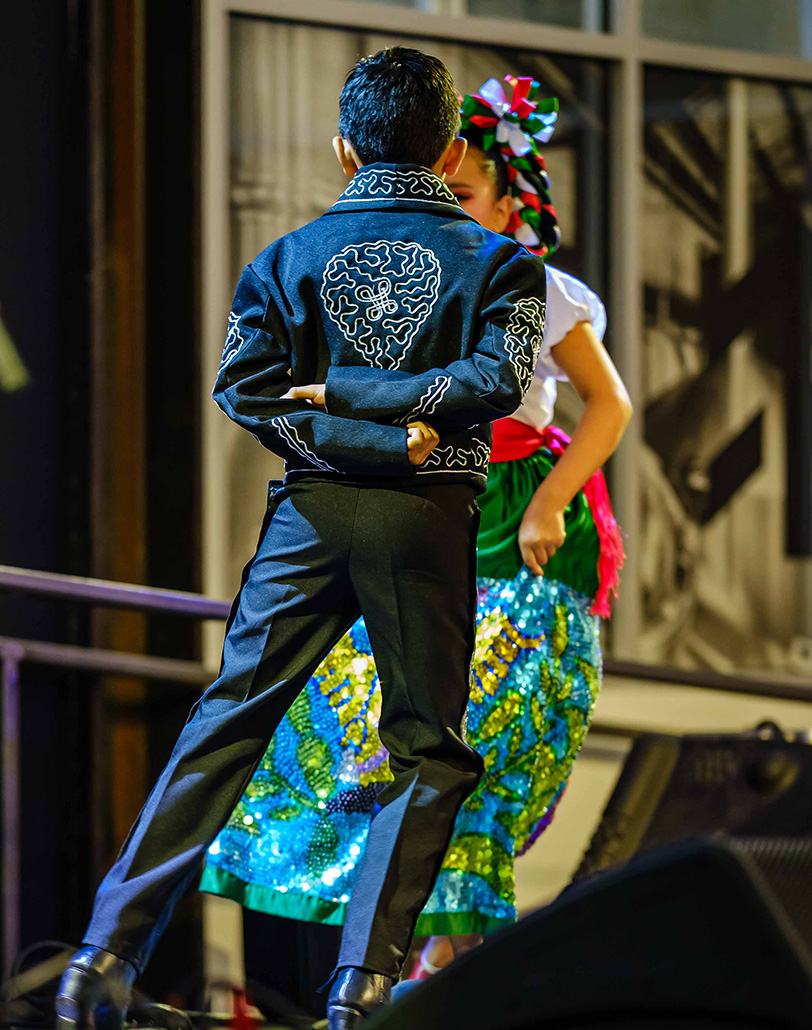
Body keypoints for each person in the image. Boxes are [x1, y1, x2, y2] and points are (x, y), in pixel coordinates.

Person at [55, 51, 548, 1030]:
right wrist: (397, 433)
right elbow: (492, 384)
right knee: (428, 754)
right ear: (451, 149)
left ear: (341, 146)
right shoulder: (504, 266)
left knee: (226, 722)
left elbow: (247, 394)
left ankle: (99, 957)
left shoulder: (281, 261)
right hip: (424, 516)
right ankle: (357, 992)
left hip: (309, 517)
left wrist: (355, 407)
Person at [200, 76, 632, 981]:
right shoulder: (413, 266)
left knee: (470, 734)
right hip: (419, 498)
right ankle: (387, 960)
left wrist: (552, 500)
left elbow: (608, 406)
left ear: (509, 195)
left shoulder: (532, 284)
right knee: (355, 725)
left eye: (465, 195)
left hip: (511, 512)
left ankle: (434, 959)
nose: (442, 206)